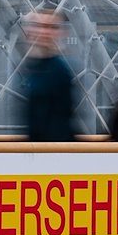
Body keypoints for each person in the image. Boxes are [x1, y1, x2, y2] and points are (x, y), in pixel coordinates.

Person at [20, 9, 78, 141]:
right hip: (46, 149)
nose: (44, 32)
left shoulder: (58, 69)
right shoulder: (37, 65)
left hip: (52, 150)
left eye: (51, 27)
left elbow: (58, 121)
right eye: (39, 26)